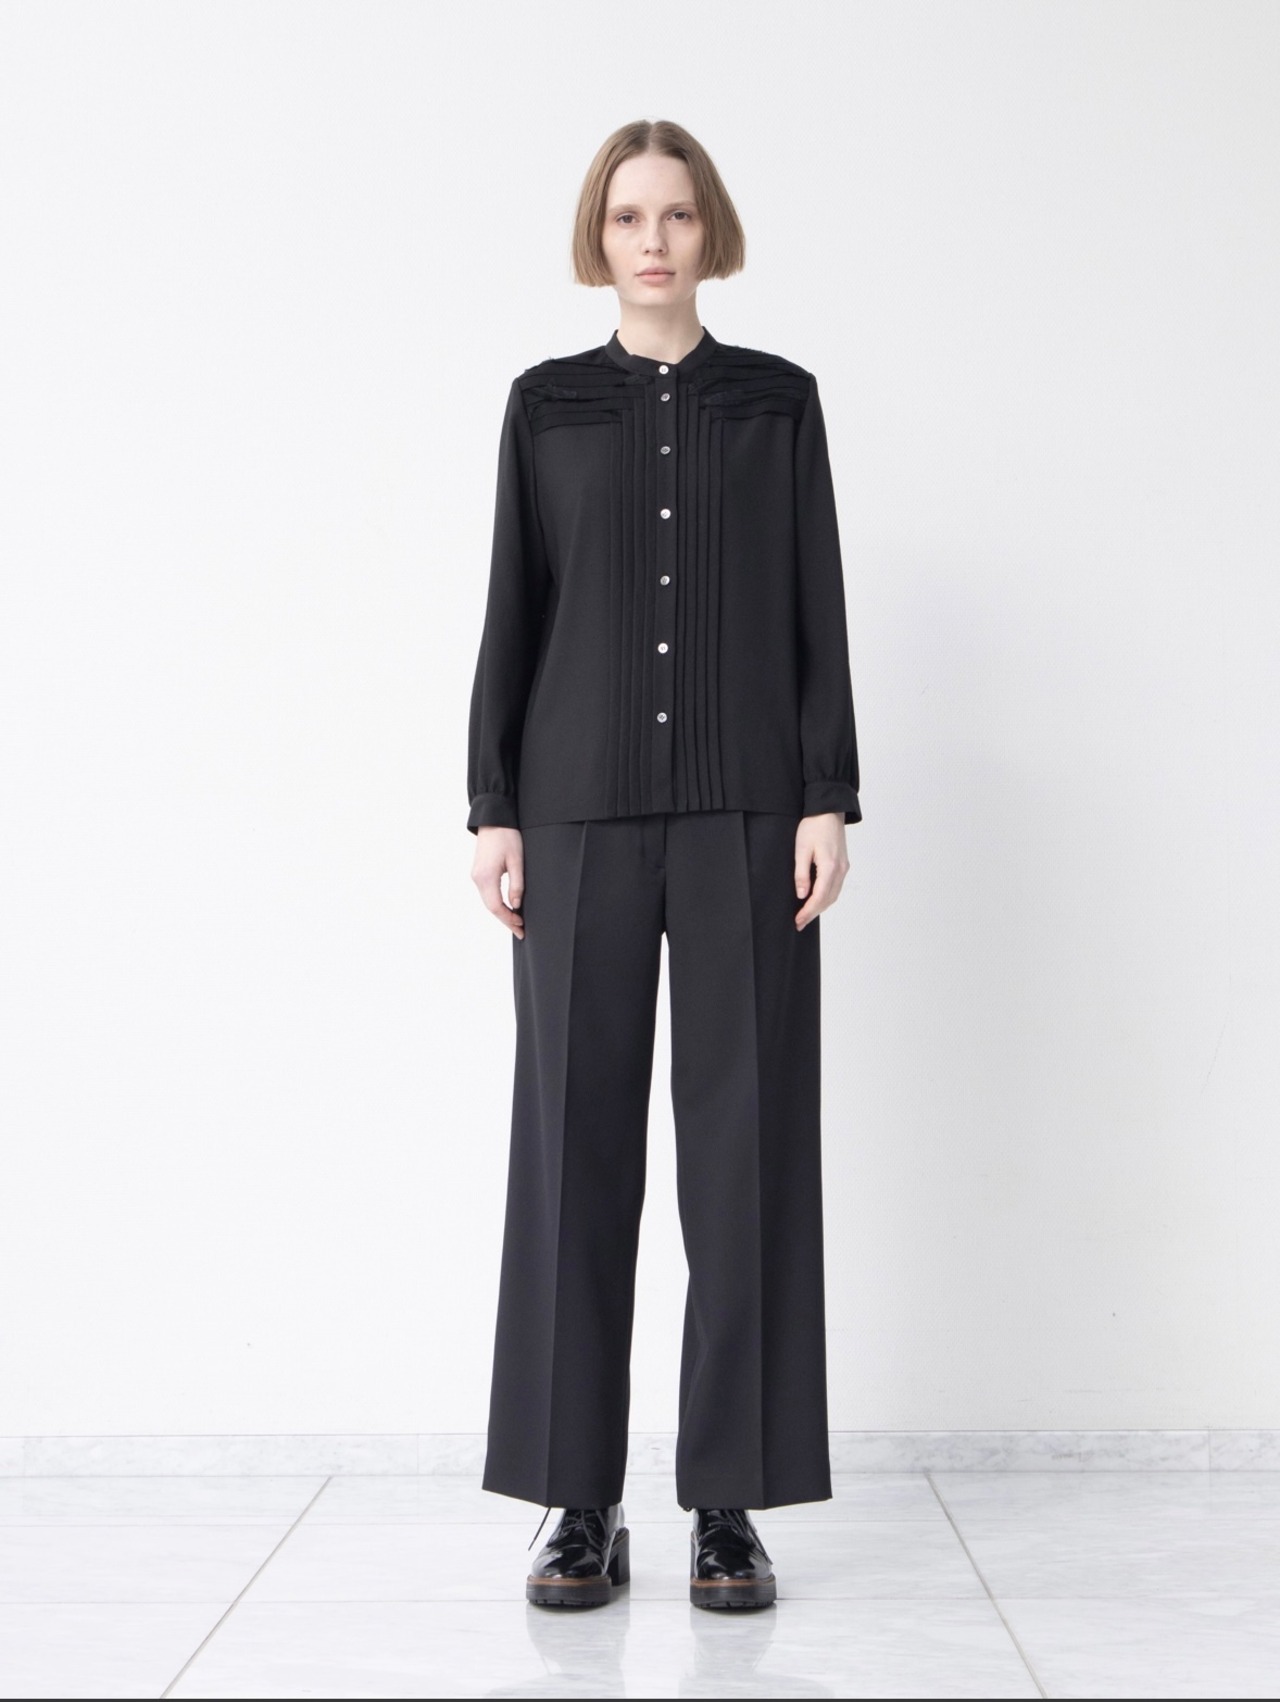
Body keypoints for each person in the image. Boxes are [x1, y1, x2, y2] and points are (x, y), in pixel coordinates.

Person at [466, 118, 861, 1612]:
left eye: (677, 215)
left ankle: (729, 1505)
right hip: (572, 814)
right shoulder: (546, 407)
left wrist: (826, 793)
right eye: (629, 215)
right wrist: (492, 804)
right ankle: (576, 1501)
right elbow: (513, 608)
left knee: (745, 1157)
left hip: (749, 814)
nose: (653, 239)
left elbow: (817, 603)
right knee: (573, 1153)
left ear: (711, 233)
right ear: (599, 234)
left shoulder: (777, 403)